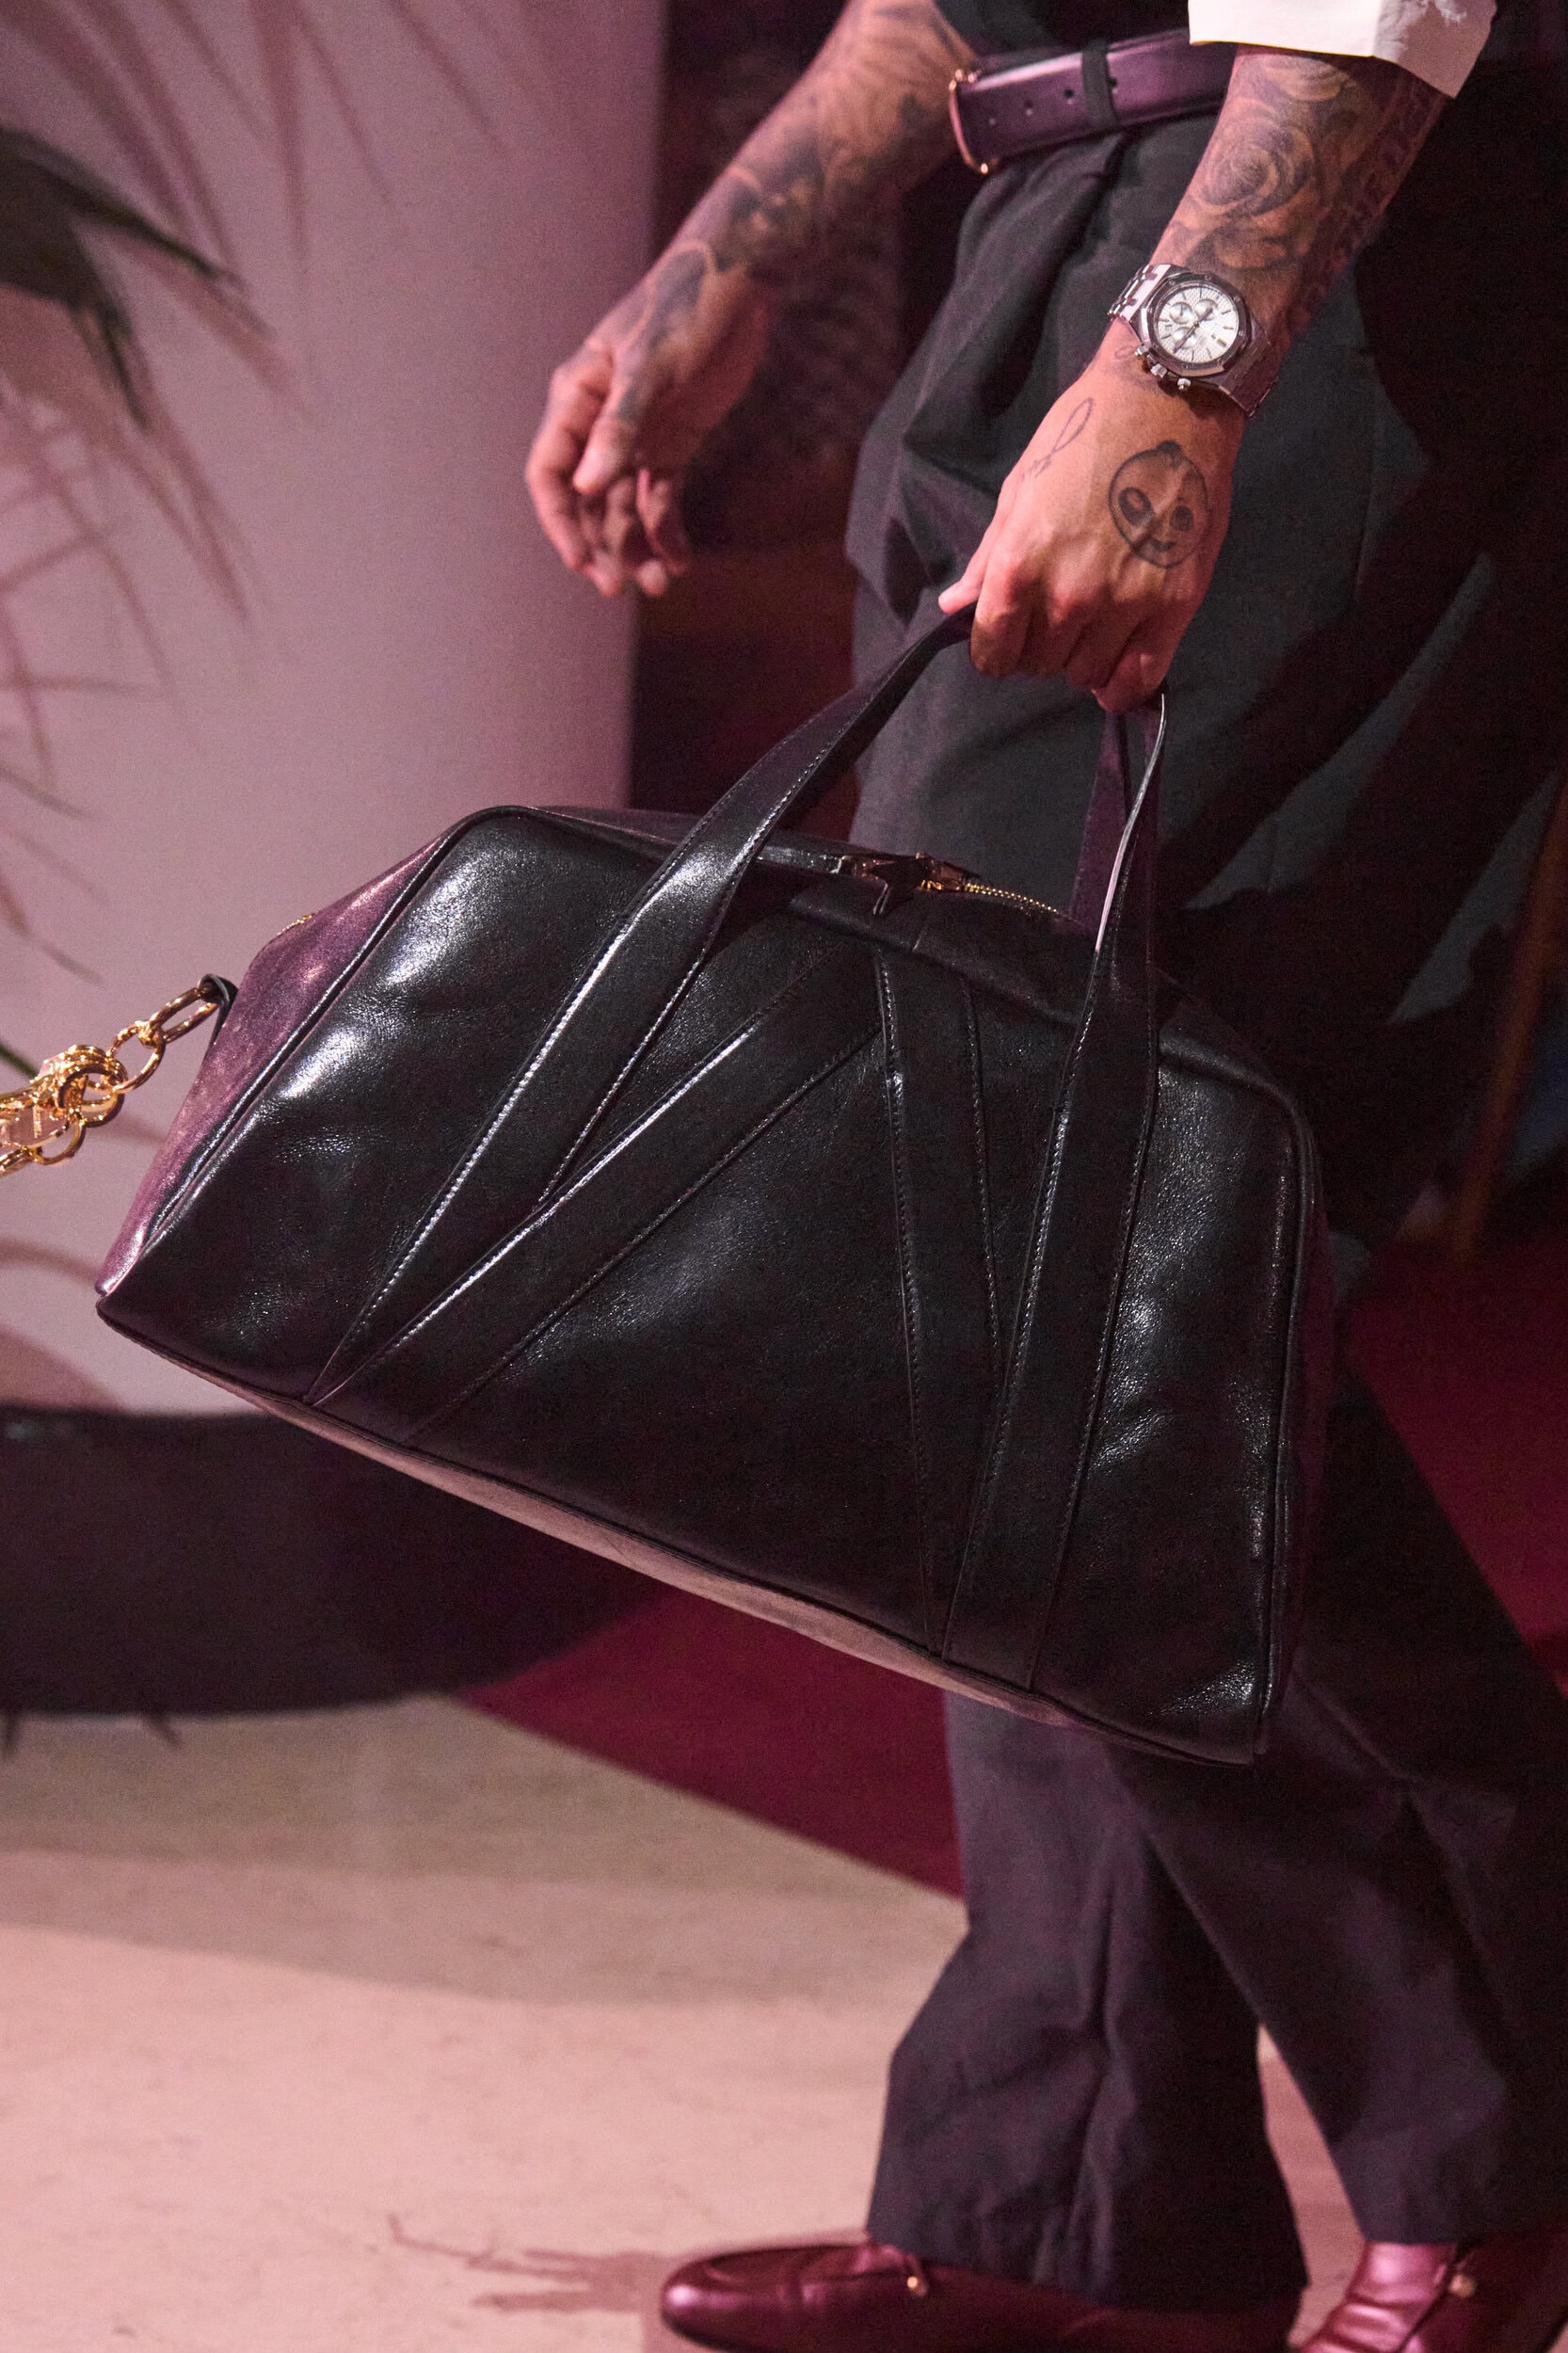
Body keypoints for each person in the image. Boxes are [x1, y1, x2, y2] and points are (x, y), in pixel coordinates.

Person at [527, 6, 1568, 2351]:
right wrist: (726, 256)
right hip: (1070, 228)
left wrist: (1183, 366)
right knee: (1040, 1276)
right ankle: (1077, 2192)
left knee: (1060, 1261)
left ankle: (1489, 2101)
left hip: (1324, 273)